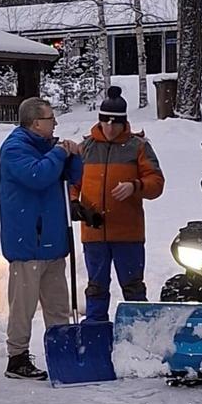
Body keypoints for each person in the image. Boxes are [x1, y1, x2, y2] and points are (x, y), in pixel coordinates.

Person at [0, 97, 82, 380]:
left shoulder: (47, 147)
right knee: (23, 306)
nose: (55, 123)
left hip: (52, 241)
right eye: (50, 119)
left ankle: (62, 354)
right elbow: (37, 176)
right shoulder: (14, 148)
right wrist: (58, 154)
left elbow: (73, 176)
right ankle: (17, 358)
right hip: (28, 243)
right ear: (35, 123)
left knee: (58, 305)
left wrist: (73, 156)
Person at [70, 87, 165, 321]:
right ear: (100, 121)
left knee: (133, 288)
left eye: (115, 124)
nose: (110, 128)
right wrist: (74, 203)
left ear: (124, 123)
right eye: (106, 122)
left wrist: (135, 186)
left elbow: (156, 183)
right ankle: (95, 330)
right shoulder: (86, 148)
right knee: (96, 287)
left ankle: (138, 328)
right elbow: (73, 183)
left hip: (128, 233)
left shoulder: (138, 147)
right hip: (94, 232)